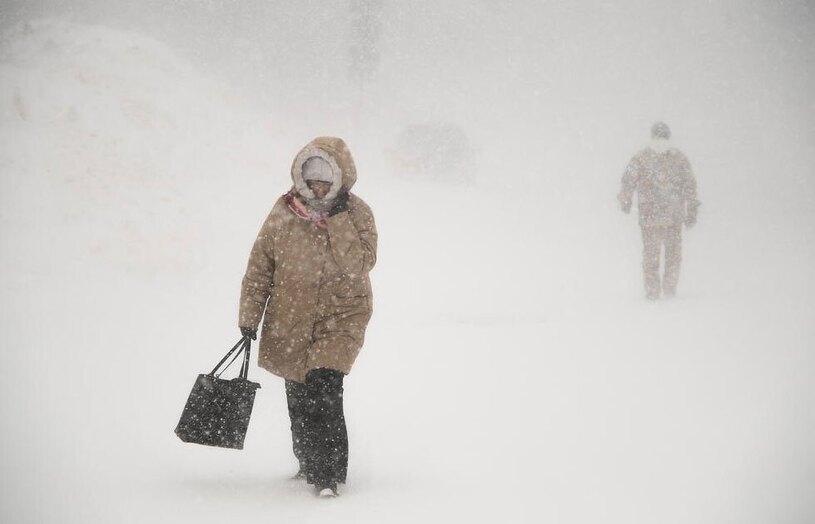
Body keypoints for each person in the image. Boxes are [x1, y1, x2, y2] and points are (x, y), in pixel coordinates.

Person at [238, 137, 377, 497]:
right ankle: (307, 462)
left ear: (341, 179)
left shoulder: (358, 213)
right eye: (311, 178)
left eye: (326, 179)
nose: (317, 186)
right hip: (291, 316)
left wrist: (339, 219)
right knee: (298, 393)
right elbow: (260, 267)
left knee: (324, 386)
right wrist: (249, 316)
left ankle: (328, 474)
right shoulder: (284, 211)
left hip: (341, 317)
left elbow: (359, 265)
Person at [618, 122, 700, 300]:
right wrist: (691, 210)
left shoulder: (641, 157)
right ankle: (669, 291)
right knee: (673, 256)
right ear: (668, 136)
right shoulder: (679, 158)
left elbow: (628, 180)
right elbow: (690, 185)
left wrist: (625, 200)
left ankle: (652, 293)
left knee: (651, 257)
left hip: (650, 217)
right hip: (673, 216)